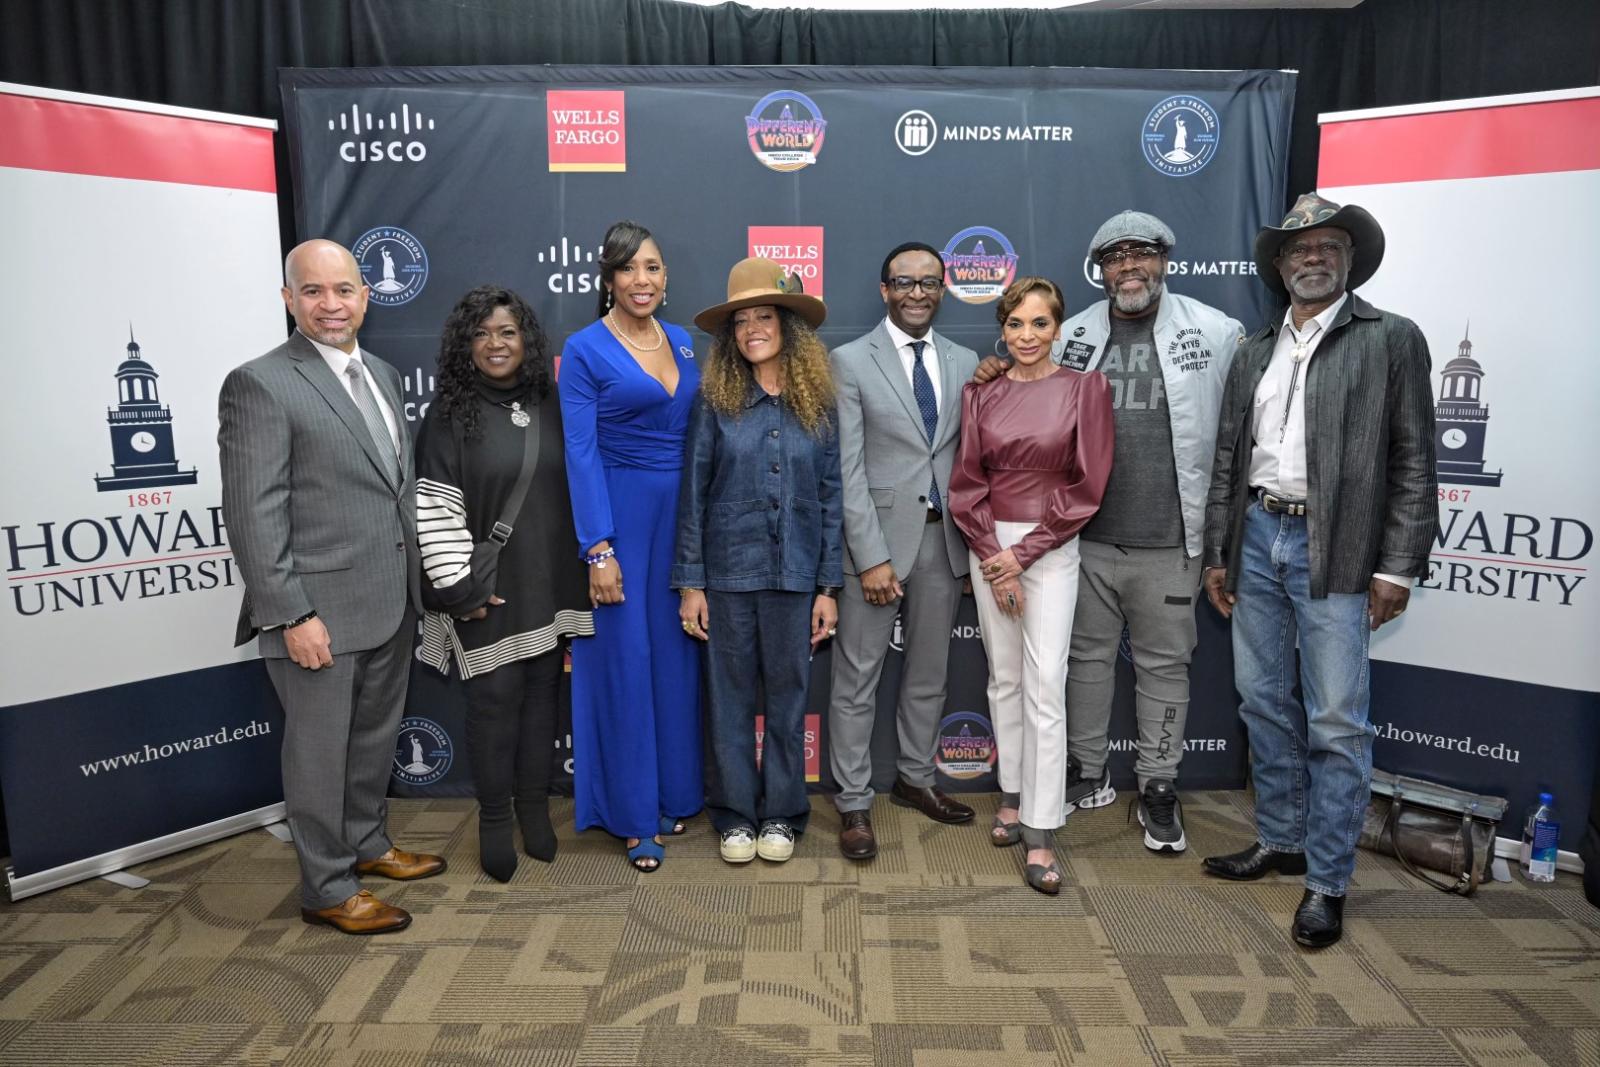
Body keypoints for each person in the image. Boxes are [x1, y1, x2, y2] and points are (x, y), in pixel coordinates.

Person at [1201, 194, 1437, 948]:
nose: (1313, 257)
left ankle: (1327, 881)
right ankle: (1282, 837)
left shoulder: (1392, 339)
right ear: (1278, 264)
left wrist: (1398, 565)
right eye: (1298, 247)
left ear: (1349, 259)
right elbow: (1229, 463)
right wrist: (1218, 551)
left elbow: (1415, 462)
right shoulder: (1253, 349)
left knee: (1336, 720)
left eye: (1328, 246)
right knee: (1262, 702)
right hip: (1258, 535)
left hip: (1338, 547)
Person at [974, 211, 1243, 853]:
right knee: (1082, 666)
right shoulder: (1078, 332)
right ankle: (1085, 773)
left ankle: (1157, 785)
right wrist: (992, 375)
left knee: (1163, 667)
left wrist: (1220, 543)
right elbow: (1030, 378)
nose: (1130, 266)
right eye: (1116, 256)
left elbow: (1234, 443)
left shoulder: (1215, 331)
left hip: (1171, 539)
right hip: (1081, 540)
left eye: (1142, 253)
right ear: (1101, 268)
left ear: (1164, 259)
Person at [219, 238, 445, 936]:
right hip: (315, 613)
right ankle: (325, 885)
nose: (330, 303)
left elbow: (389, 490)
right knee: (318, 754)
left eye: (343, 289)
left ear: (366, 296)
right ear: (288, 299)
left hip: (386, 600)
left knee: (372, 742)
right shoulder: (260, 382)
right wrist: (291, 611)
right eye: (312, 291)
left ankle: (368, 845)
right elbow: (253, 513)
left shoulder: (376, 370)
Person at [414, 286, 594, 882]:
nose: (496, 344)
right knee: (494, 705)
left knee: (544, 695)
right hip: (485, 587)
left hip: (549, 579)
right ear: (466, 345)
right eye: (483, 334)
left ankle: (533, 810)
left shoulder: (552, 399)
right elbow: (435, 509)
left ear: (528, 340)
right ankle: (494, 821)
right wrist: (460, 587)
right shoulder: (447, 414)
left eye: (508, 332)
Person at [673, 257, 843, 865]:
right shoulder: (714, 402)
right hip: (726, 576)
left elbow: (831, 497)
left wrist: (829, 586)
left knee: (790, 699)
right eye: (741, 321)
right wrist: (691, 583)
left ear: (787, 327)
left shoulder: (817, 406)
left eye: (763, 317)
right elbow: (692, 494)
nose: (751, 330)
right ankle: (736, 815)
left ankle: (782, 813)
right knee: (730, 698)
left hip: (796, 576)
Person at [950, 276, 1113, 893]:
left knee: (1045, 685)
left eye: (1039, 324)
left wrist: (1023, 555)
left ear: (1059, 328)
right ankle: (1013, 797)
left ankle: (1043, 830)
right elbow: (966, 484)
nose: (1026, 336)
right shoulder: (979, 394)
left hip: (1050, 546)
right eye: (1015, 323)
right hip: (988, 544)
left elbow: (1088, 487)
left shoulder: (1084, 389)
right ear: (1002, 326)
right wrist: (994, 555)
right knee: (1006, 679)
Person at [828, 241, 980, 861]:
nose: (917, 292)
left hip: (942, 545)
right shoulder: (849, 360)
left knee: (928, 675)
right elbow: (847, 467)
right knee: (856, 678)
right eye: (904, 282)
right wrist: (869, 557)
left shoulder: (966, 360)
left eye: (929, 282)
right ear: (884, 288)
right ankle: (853, 803)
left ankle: (916, 779)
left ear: (942, 289)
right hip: (877, 548)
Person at [560, 220, 702, 871]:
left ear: (665, 276)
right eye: (628, 269)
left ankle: (675, 792)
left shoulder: (685, 343)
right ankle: (634, 815)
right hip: (620, 520)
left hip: (683, 522)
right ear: (608, 279)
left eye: (652, 267)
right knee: (625, 662)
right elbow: (580, 453)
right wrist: (598, 547)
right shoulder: (585, 349)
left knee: (674, 661)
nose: (641, 280)